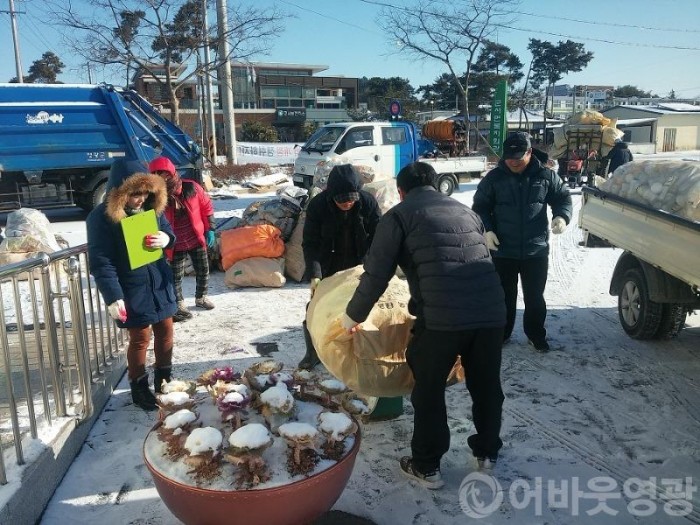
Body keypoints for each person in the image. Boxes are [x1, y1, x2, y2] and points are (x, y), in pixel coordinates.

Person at [341, 161, 507, 490]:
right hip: (491, 314)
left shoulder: (400, 215)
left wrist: (353, 316)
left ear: (402, 192)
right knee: (487, 386)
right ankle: (487, 453)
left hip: (443, 320)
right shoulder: (467, 212)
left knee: (428, 390)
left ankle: (427, 466)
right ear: (434, 185)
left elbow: (376, 274)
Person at [87, 159, 177, 411]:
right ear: (120, 191)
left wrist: (165, 238)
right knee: (140, 337)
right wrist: (113, 296)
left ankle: (164, 380)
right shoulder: (101, 218)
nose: (140, 199)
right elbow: (101, 262)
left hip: (159, 281)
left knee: (166, 331)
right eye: (134, 194)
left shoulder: (152, 210)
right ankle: (138, 386)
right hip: (131, 286)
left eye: (145, 193)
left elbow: (171, 235)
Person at [472, 132, 572, 352]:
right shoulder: (494, 178)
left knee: (535, 298)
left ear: (529, 153)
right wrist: (487, 230)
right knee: (503, 297)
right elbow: (480, 207)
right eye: (509, 157)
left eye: (518, 157)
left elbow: (562, 197)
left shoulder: (545, 176)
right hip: (502, 250)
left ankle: (536, 334)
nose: (513, 162)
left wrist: (561, 216)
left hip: (535, 250)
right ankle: (502, 333)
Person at [298, 164, 381, 369]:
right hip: (328, 265)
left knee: (361, 309)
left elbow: (379, 237)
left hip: (359, 264)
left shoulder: (367, 203)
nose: (346, 204)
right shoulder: (318, 206)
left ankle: (360, 353)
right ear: (331, 195)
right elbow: (310, 242)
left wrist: (372, 267)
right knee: (316, 308)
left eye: (351, 199)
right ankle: (313, 352)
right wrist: (315, 274)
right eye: (341, 200)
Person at [149, 156, 216, 322]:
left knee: (202, 269)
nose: (162, 178)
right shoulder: (156, 197)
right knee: (175, 275)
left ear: (172, 172)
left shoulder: (192, 188)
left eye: (165, 174)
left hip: (195, 237)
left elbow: (206, 207)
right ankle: (179, 303)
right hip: (174, 242)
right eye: (157, 175)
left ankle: (201, 297)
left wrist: (210, 229)